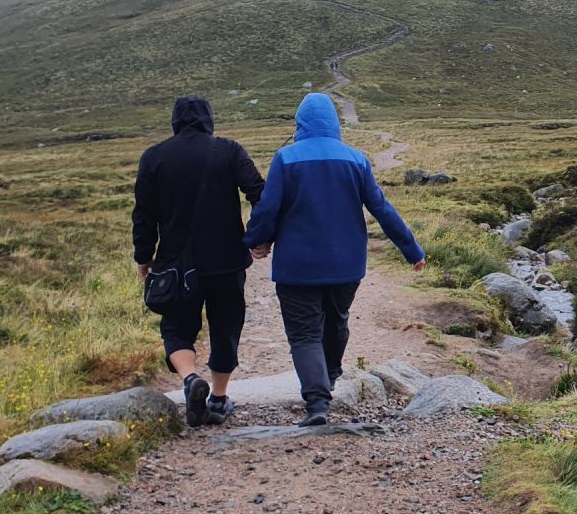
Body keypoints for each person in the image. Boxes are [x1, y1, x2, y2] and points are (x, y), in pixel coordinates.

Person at [243, 92, 425, 426]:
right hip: (346, 265)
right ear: (334, 123)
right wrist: (411, 249)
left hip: (297, 267)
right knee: (337, 319)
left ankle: (317, 403)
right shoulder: (356, 159)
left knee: (304, 334)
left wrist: (256, 241)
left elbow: (267, 209)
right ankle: (331, 374)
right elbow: (381, 208)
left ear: (300, 124)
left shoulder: (285, 158)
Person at [133, 96, 265, 427]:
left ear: (175, 121)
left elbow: (144, 215)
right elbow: (259, 192)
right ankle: (218, 400)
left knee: (176, 329)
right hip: (227, 261)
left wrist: (143, 257)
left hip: (175, 264)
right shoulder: (229, 150)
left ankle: (191, 379)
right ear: (209, 119)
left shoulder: (153, 157)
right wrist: (258, 236)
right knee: (225, 327)